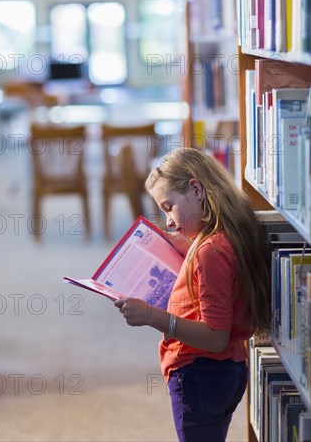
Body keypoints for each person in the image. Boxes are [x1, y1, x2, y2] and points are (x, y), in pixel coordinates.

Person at [114, 147, 271, 442]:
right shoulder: (224, 236)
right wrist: (191, 251)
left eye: (168, 206)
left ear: (196, 189)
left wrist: (152, 316)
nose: (169, 221)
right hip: (226, 369)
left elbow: (215, 335)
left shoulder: (210, 252)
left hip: (201, 373)